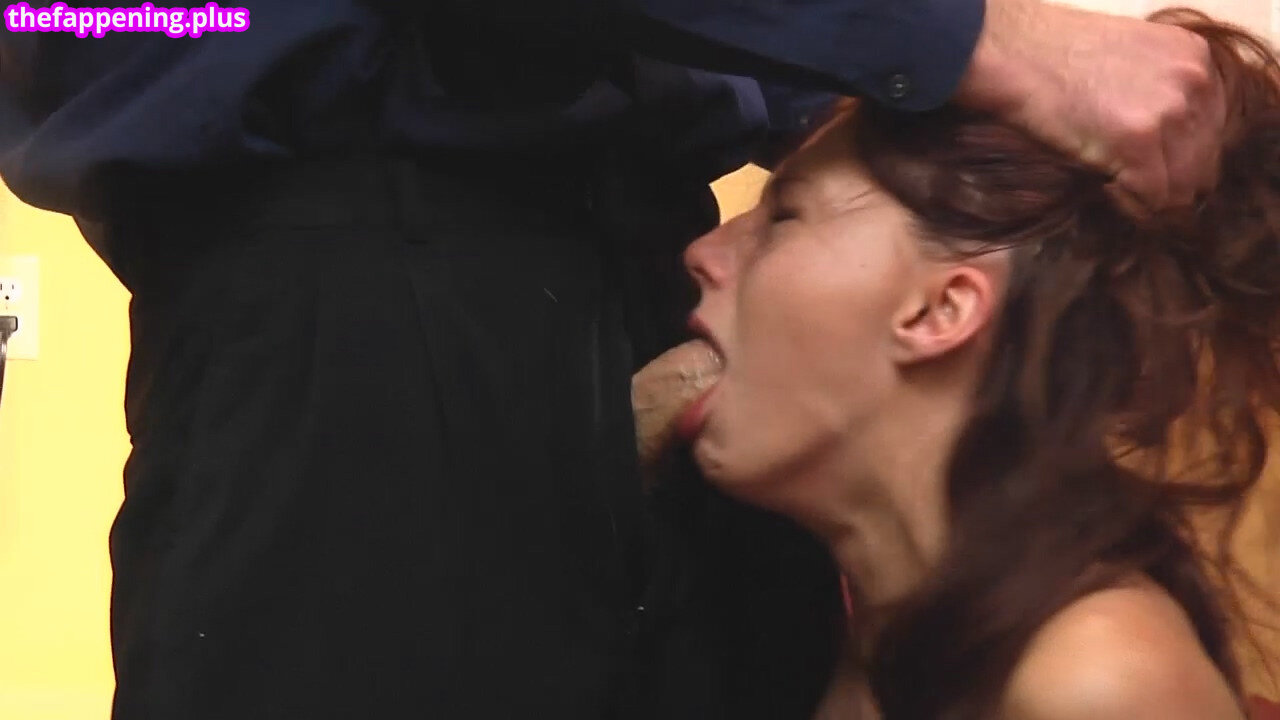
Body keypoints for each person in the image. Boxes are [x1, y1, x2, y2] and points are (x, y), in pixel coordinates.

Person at [0, 1, 1227, 718]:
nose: (719, 253)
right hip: (378, 279)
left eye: (783, 219)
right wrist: (972, 37)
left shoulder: (1075, 667)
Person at [665, 8, 1275, 718]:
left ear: (941, 310)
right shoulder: (852, 629)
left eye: (785, 218)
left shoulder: (1094, 680)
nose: (700, 253)